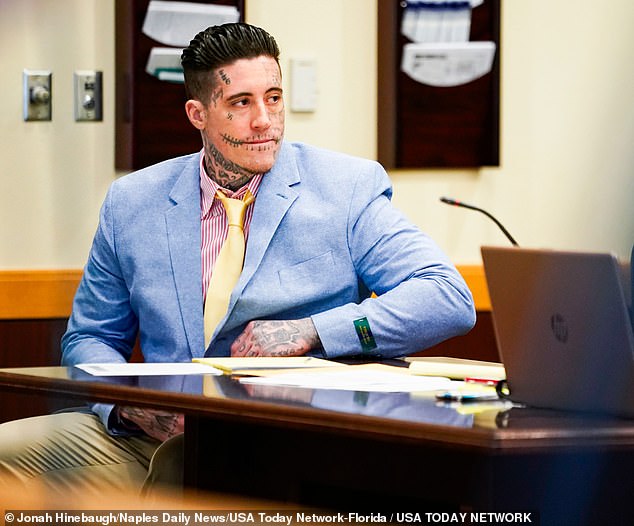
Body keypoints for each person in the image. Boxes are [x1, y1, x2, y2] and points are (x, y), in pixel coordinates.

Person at [0, 22, 475, 497]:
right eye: (241, 103)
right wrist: (126, 407)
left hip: (285, 441)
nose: (265, 120)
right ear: (198, 113)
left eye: (273, 97)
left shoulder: (346, 189)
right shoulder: (131, 203)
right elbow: (90, 338)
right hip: (150, 436)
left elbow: (447, 297)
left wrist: (312, 331)